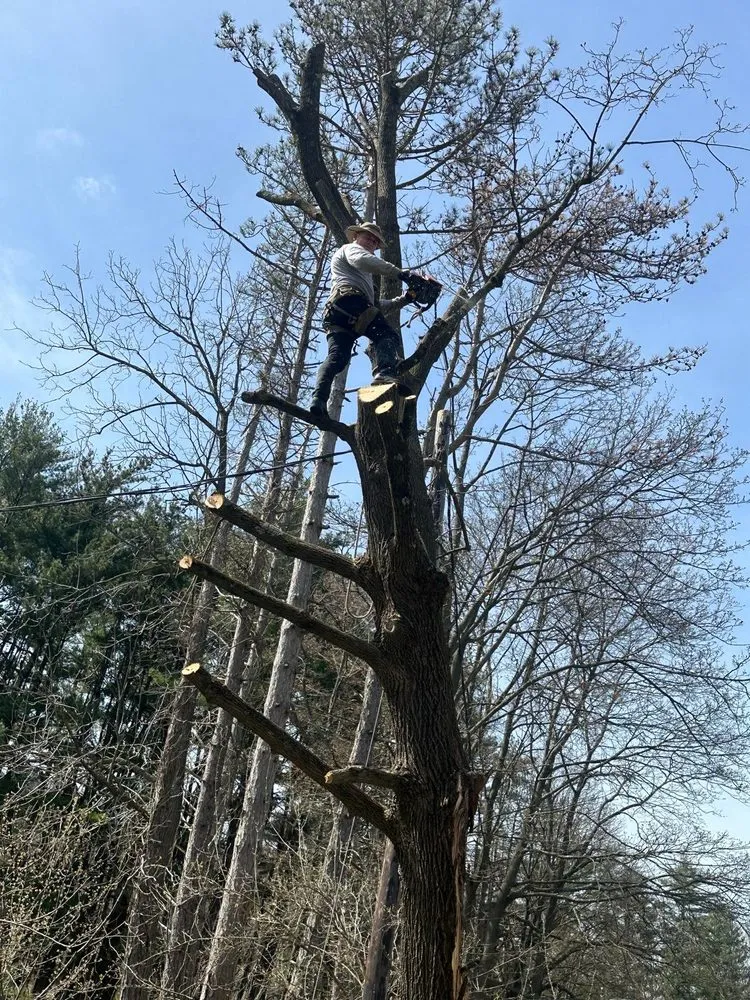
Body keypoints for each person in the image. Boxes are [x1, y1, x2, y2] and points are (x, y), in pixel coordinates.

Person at [309, 222, 417, 417]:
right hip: (350, 301)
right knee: (387, 335)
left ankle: (318, 399)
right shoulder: (350, 250)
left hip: (340, 313)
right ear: (355, 236)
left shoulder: (362, 277)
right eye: (368, 237)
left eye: (375, 241)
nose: (371, 242)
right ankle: (385, 374)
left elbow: (377, 306)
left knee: (338, 358)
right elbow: (362, 260)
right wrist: (401, 273)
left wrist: (406, 299)